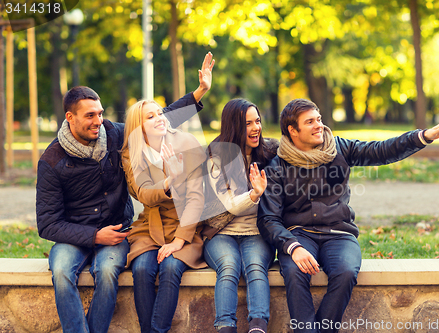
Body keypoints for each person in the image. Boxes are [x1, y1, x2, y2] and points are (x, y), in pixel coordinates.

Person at [36, 52, 214, 333]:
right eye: (90, 116)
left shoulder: (113, 134)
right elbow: (47, 223)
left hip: (116, 231)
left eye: (101, 113)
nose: (98, 121)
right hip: (74, 234)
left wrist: (199, 91)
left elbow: (158, 120)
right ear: (70, 117)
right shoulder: (51, 160)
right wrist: (93, 235)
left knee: (107, 272)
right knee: (60, 271)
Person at [257, 99, 439, 333]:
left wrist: (423, 136)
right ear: (293, 131)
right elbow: (268, 219)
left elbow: (381, 150)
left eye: (319, 119)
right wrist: (292, 247)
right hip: (299, 235)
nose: (319, 126)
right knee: (294, 272)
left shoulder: (339, 148)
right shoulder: (276, 166)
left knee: (345, 271)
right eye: (310, 122)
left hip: (338, 233)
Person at [121, 97, 207, 332]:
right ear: (138, 127)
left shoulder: (187, 142)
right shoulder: (131, 153)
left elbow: (197, 198)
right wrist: (170, 180)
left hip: (187, 225)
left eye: (160, 113)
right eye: (150, 116)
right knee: (141, 270)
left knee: (170, 268)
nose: (159, 118)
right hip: (151, 226)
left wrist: (179, 240)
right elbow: (142, 194)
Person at [202, 99, 278, 333]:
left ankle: (258, 327)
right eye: (248, 124)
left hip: (256, 231)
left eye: (258, 121)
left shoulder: (270, 152)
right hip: (221, 233)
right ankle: (225, 327)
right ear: (234, 126)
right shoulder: (217, 158)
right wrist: (255, 194)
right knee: (229, 265)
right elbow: (231, 206)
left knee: (255, 267)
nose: (256, 128)